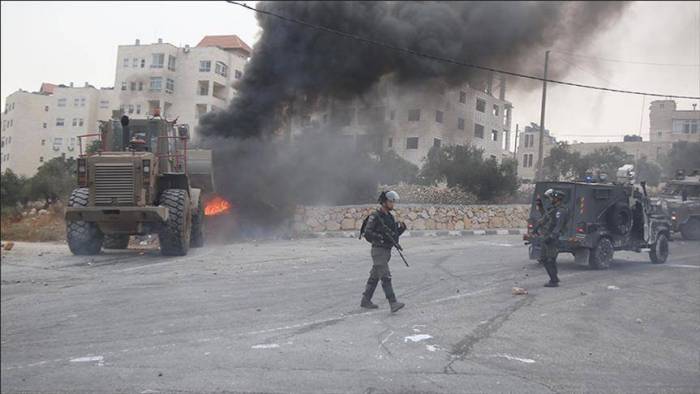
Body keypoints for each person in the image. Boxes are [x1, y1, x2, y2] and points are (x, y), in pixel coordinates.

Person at [360, 190, 407, 312]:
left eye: (393, 202)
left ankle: (366, 300)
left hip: (386, 251)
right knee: (385, 276)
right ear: (384, 202)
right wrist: (380, 238)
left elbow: (393, 236)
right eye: (391, 201)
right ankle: (393, 302)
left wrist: (401, 229)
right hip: (378, 251)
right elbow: (367, 233)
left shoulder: (389, 217)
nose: (393, 204)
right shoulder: (375, 216)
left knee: (375, 275)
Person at [539, 189, 569, 287]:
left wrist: (552, 236)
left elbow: (559, 225)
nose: (550, 199)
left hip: (553, 238)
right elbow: (546, 219)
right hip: (548, 236)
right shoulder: (553, 209)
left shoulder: (561, 210)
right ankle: (554, 277)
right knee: (543, 258)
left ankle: (554, 280)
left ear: (557, 199)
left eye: (552, 198)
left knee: (550, 259)